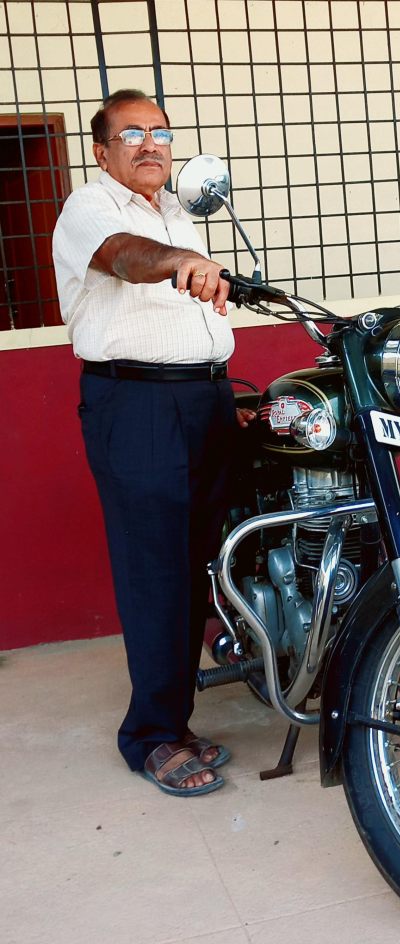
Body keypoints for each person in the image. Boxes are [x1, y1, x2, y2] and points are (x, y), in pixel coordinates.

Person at [53, 88, 251, 796]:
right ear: (103, 151)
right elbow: (126, 260)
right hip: (135, 402)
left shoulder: (176, 211)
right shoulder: (91, 208)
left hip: (202, 397)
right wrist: (179, 262)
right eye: (130, 133)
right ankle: (148, 736)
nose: (149, 144)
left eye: (161, 133)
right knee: (155, 569)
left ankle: (176, 720)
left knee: (198, 563)